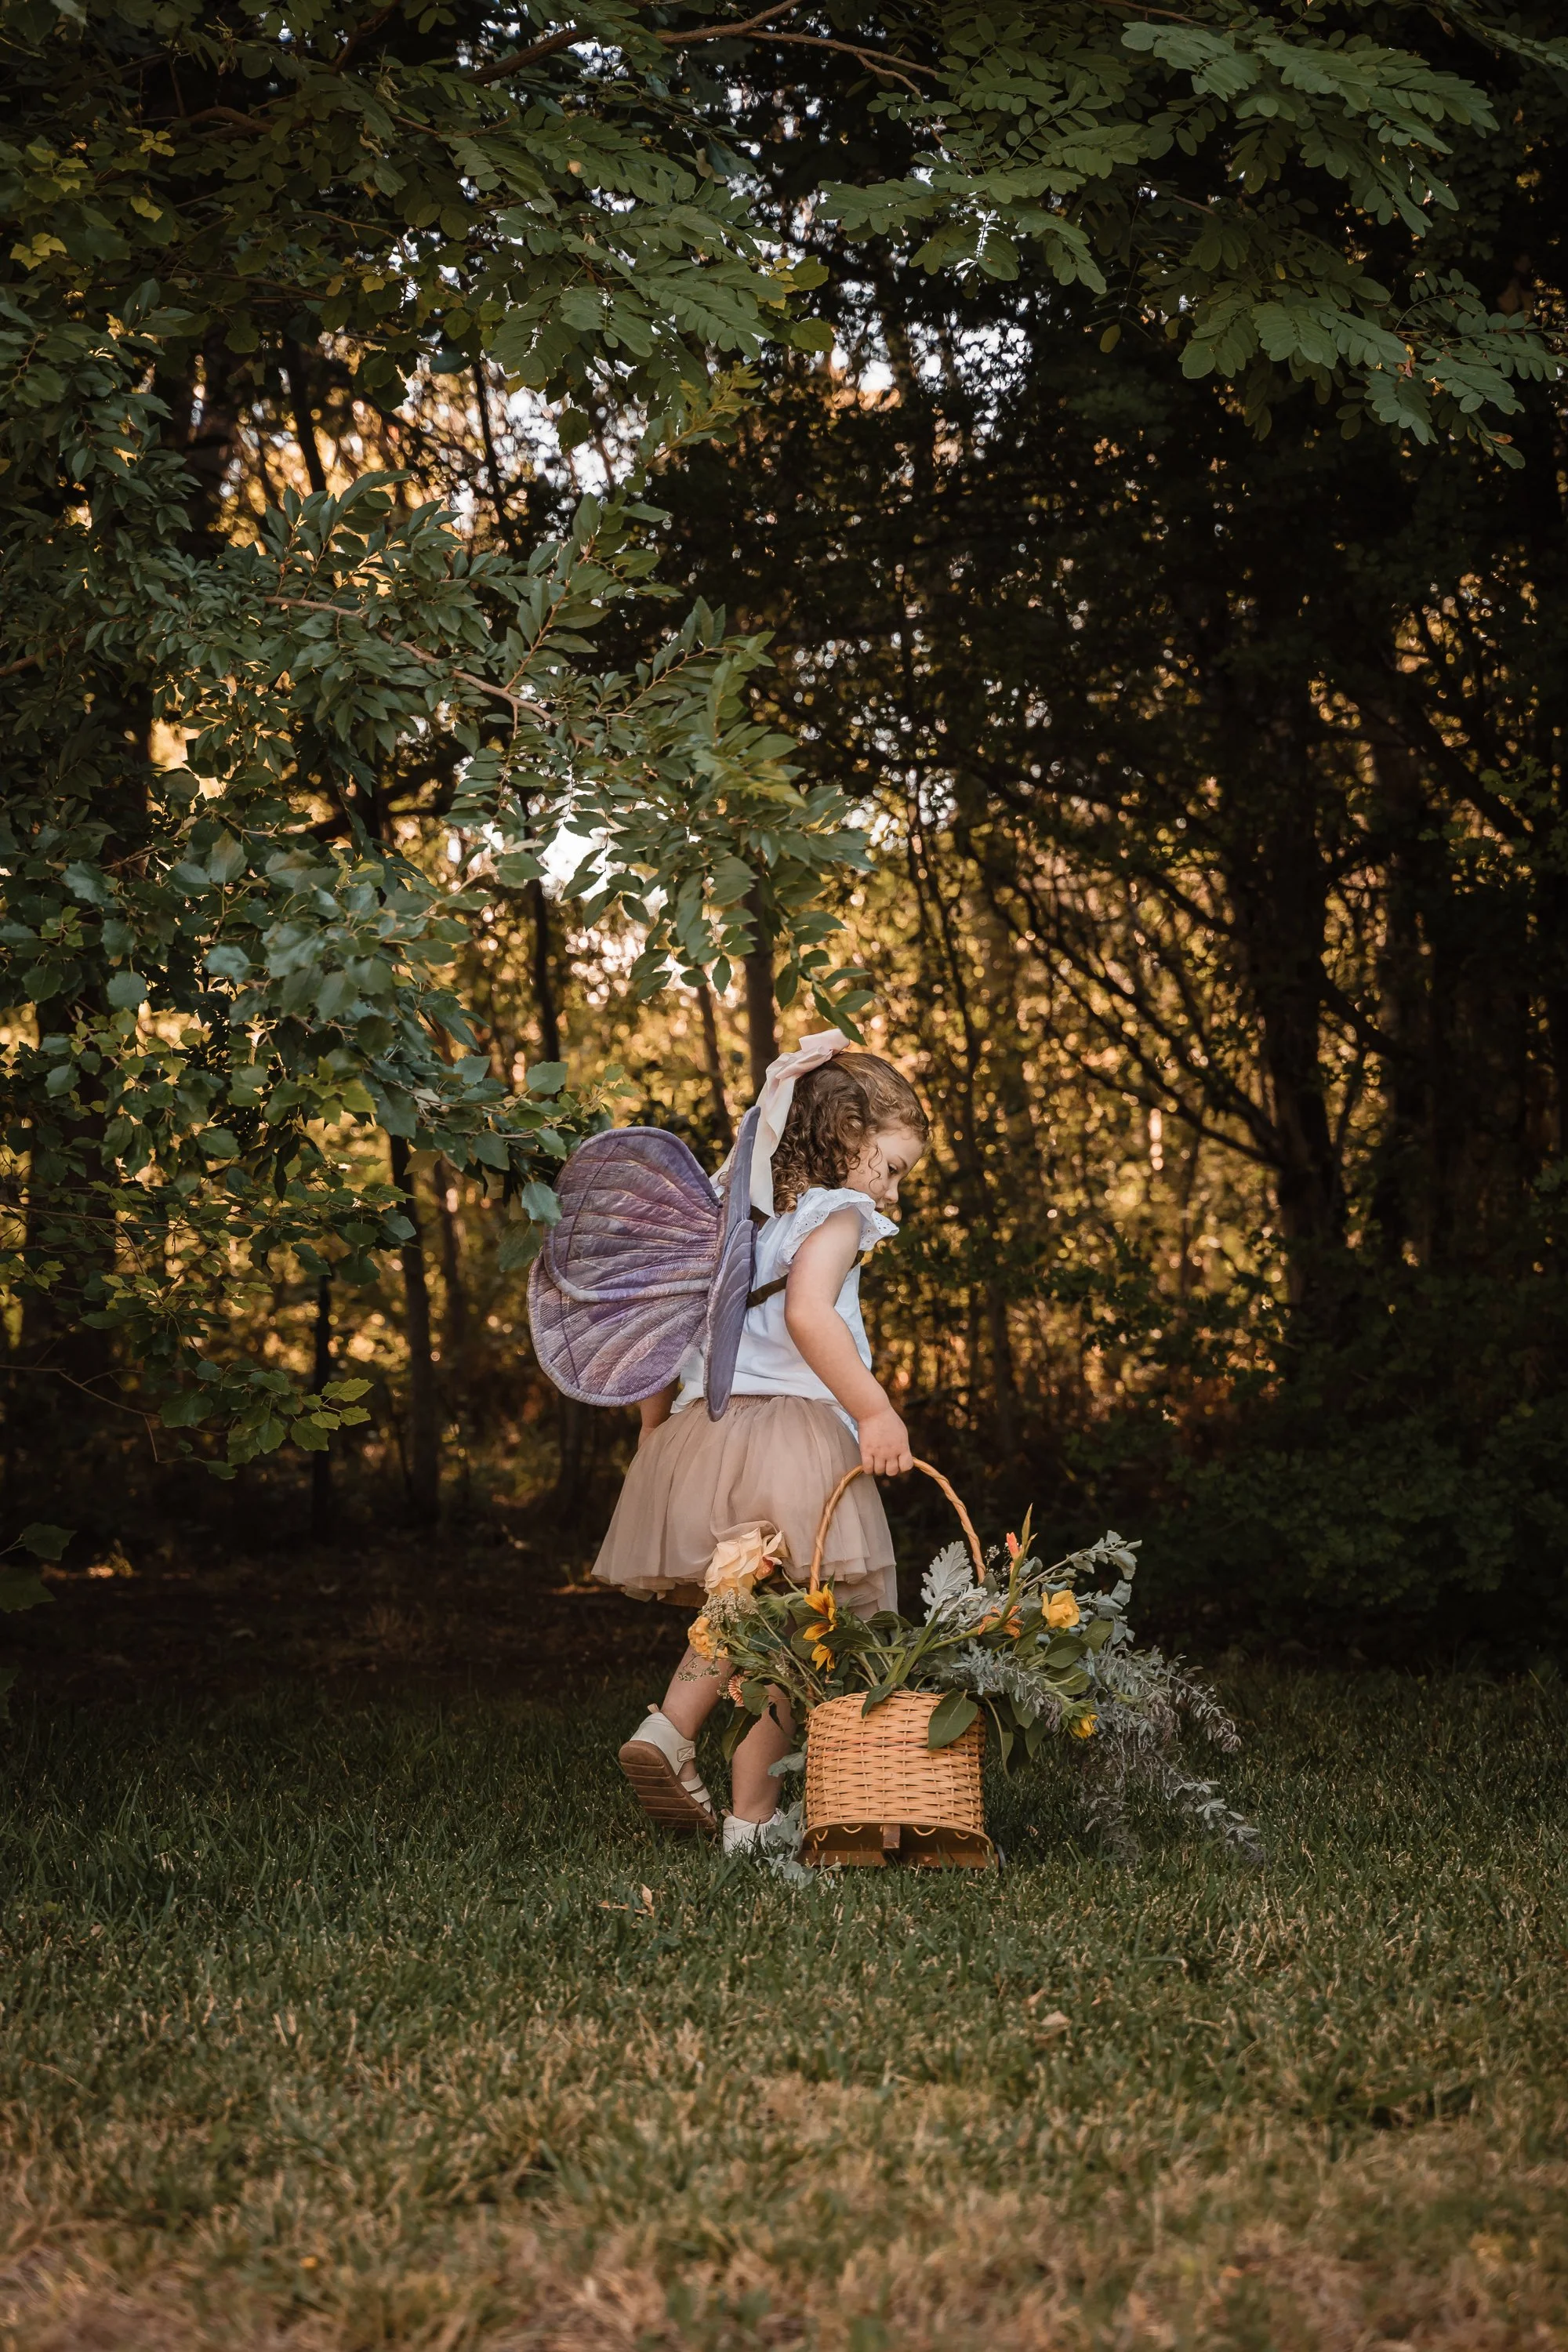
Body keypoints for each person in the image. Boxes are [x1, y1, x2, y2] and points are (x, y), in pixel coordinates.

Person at [592, 1039, 930, 1851]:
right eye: (891, 1167)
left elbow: (666, 1328)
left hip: (708, 1434)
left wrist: (652, 1432)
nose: (892, 1191)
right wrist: (875, 1411)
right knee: (805, 1629)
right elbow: (810, 1315)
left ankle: (672, 1730)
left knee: (744, 1612)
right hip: (793, 1442)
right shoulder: (835, 1216)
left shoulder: (738, 1221)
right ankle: (751, 1814)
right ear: (846, 1134)